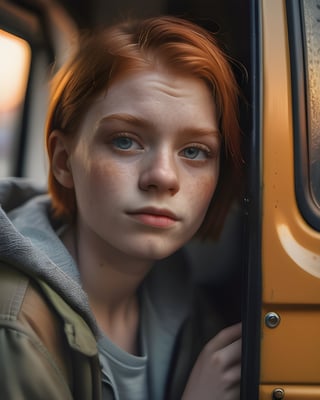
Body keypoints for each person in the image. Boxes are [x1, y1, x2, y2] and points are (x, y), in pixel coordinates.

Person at [0, 15, 242, 400]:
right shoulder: (15, 328)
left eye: (194, 151)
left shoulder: (187, 305)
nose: (163, 177)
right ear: (63, 162)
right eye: (126, 141)